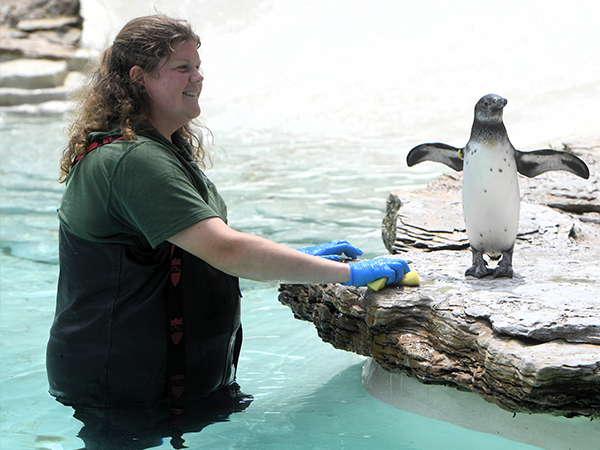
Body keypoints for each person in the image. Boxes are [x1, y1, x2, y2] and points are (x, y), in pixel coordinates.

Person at [46, 14, 409, 423]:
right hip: (122, 391)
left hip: (161, 381)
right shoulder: (131, 159)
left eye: (197, 66)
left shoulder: (159, 147)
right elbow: (225, 249)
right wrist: (346, 274)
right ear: (138, 78)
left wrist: (293, 258)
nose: (198, 77)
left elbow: (200, 243)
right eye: (182, 68)